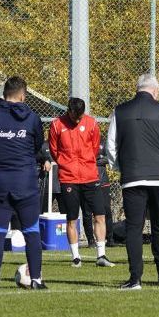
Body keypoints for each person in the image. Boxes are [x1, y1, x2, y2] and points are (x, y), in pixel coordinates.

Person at [106, 74, 159, 290]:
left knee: (134, 226)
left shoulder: (119, 111)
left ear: (137, 88)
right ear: (155, 91)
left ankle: (135, 279)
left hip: (132, 178)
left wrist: (120, 167)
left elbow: (110, 147)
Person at [0, 76, 46, 291]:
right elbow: (37, 145)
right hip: (25, 180)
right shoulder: (32, 118)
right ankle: (36, 279)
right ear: (22, 94)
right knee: (31, 230)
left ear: (4, 93)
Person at [50, 97, 114, 268]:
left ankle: (101, 254)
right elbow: (54, 150)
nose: (77, 120)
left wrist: (85, 162)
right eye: (74, 117)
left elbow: (94, 149)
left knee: (99, 214)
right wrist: (67, 163)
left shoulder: (92, 124)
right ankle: (76, 257)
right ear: (68, 111)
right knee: (72, 218)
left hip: (90, 176)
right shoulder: (57, 125)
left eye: (80, 117)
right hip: (68, 178)